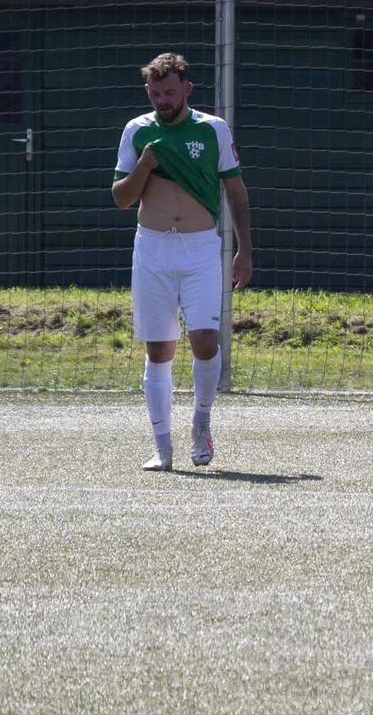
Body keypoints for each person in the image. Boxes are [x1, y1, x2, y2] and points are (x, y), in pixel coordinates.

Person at [110, 52, 252, 472]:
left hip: (201, 249)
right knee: (159, 351)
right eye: (155, 93)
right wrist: (145, 165)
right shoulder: (137, 132)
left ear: (187, 89)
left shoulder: (212, 130)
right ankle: (162, 447)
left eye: (170, 92)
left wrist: (245, 249)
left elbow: (237, 193)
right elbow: (121, 198)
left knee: (206, 342)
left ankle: (201, 424)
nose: (163, 100)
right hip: (152, 249)